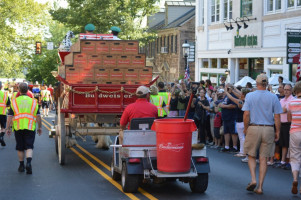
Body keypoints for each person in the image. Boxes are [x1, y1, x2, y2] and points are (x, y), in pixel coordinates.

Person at [242, 74, 282, 194]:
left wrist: (245, 128)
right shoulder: (273, 97)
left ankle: (253, 179)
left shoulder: (250, 95)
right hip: (268, 128)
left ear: (256, 83)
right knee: (264, 158)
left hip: (254, 127)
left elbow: (246, 114)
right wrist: (278, 130)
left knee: (251, 154)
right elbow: (277, 116)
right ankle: (260, 187)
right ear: (266, 84)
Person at [5, 83, 42, 174]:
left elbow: (9, 116)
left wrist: (7, 128)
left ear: (19, 90)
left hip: (18, 127)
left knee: (20, 147)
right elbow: (38, 116)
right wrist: (40, 127)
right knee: (29, 146)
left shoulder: (14, 102)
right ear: (28, 90)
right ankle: (28, 164)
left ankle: (21, 166)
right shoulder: (33, 102)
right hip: (30, 127)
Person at [274, 84, 294, 169]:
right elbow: (278, 111)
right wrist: (282, 110)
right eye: (285, 89)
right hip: (281, 123)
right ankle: (282, 160)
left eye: (288, 90)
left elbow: (282, 110)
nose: (286, 91)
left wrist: (281, 110)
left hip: (288, 124)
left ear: (291, 90)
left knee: (288, 144)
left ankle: (287, 162)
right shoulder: (281, 100)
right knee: (282, 143)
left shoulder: (293, 100)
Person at [287, 82, 301, 194]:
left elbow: (289, 119)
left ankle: (295, 179)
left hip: (294, 132)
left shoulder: (291, 102)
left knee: (295, 157)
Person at [218, 84, 238, 152]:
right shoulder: (226, 96)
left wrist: (224, 106)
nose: (225, 89)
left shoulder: (233, 96)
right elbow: (223, 103)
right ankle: (227, 146)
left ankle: (234, 147)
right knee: (226, 132)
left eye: (227, 88)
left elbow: (234, 106)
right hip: (225, 117)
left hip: (232, 117)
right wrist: (221, 105)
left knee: (233, 132)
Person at [0, 81, 10, 146]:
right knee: (3, 127)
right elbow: (8, 105)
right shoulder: (5, 94)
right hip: (2, 113)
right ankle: (1, 137)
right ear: (1, 87)